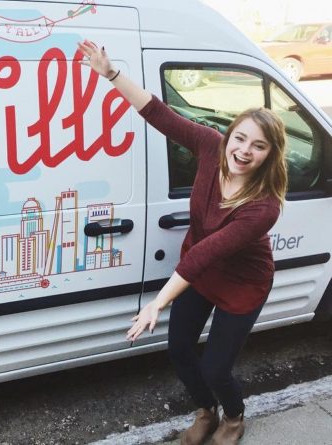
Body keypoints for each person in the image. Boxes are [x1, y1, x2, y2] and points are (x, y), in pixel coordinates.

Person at [77, 40, 287, 445]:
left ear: (269, 155)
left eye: (258, 146)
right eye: (240, 138)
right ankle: (206, 411)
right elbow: (160, 114)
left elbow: (207, 252)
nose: (243, 151)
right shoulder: (211, 146)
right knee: (178, 349)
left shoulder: (263, 207)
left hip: (242, 285)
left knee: (215, 367)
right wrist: (111, 73)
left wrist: (158, 301)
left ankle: (234, 416)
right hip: (198, 275)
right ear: (229, 135)